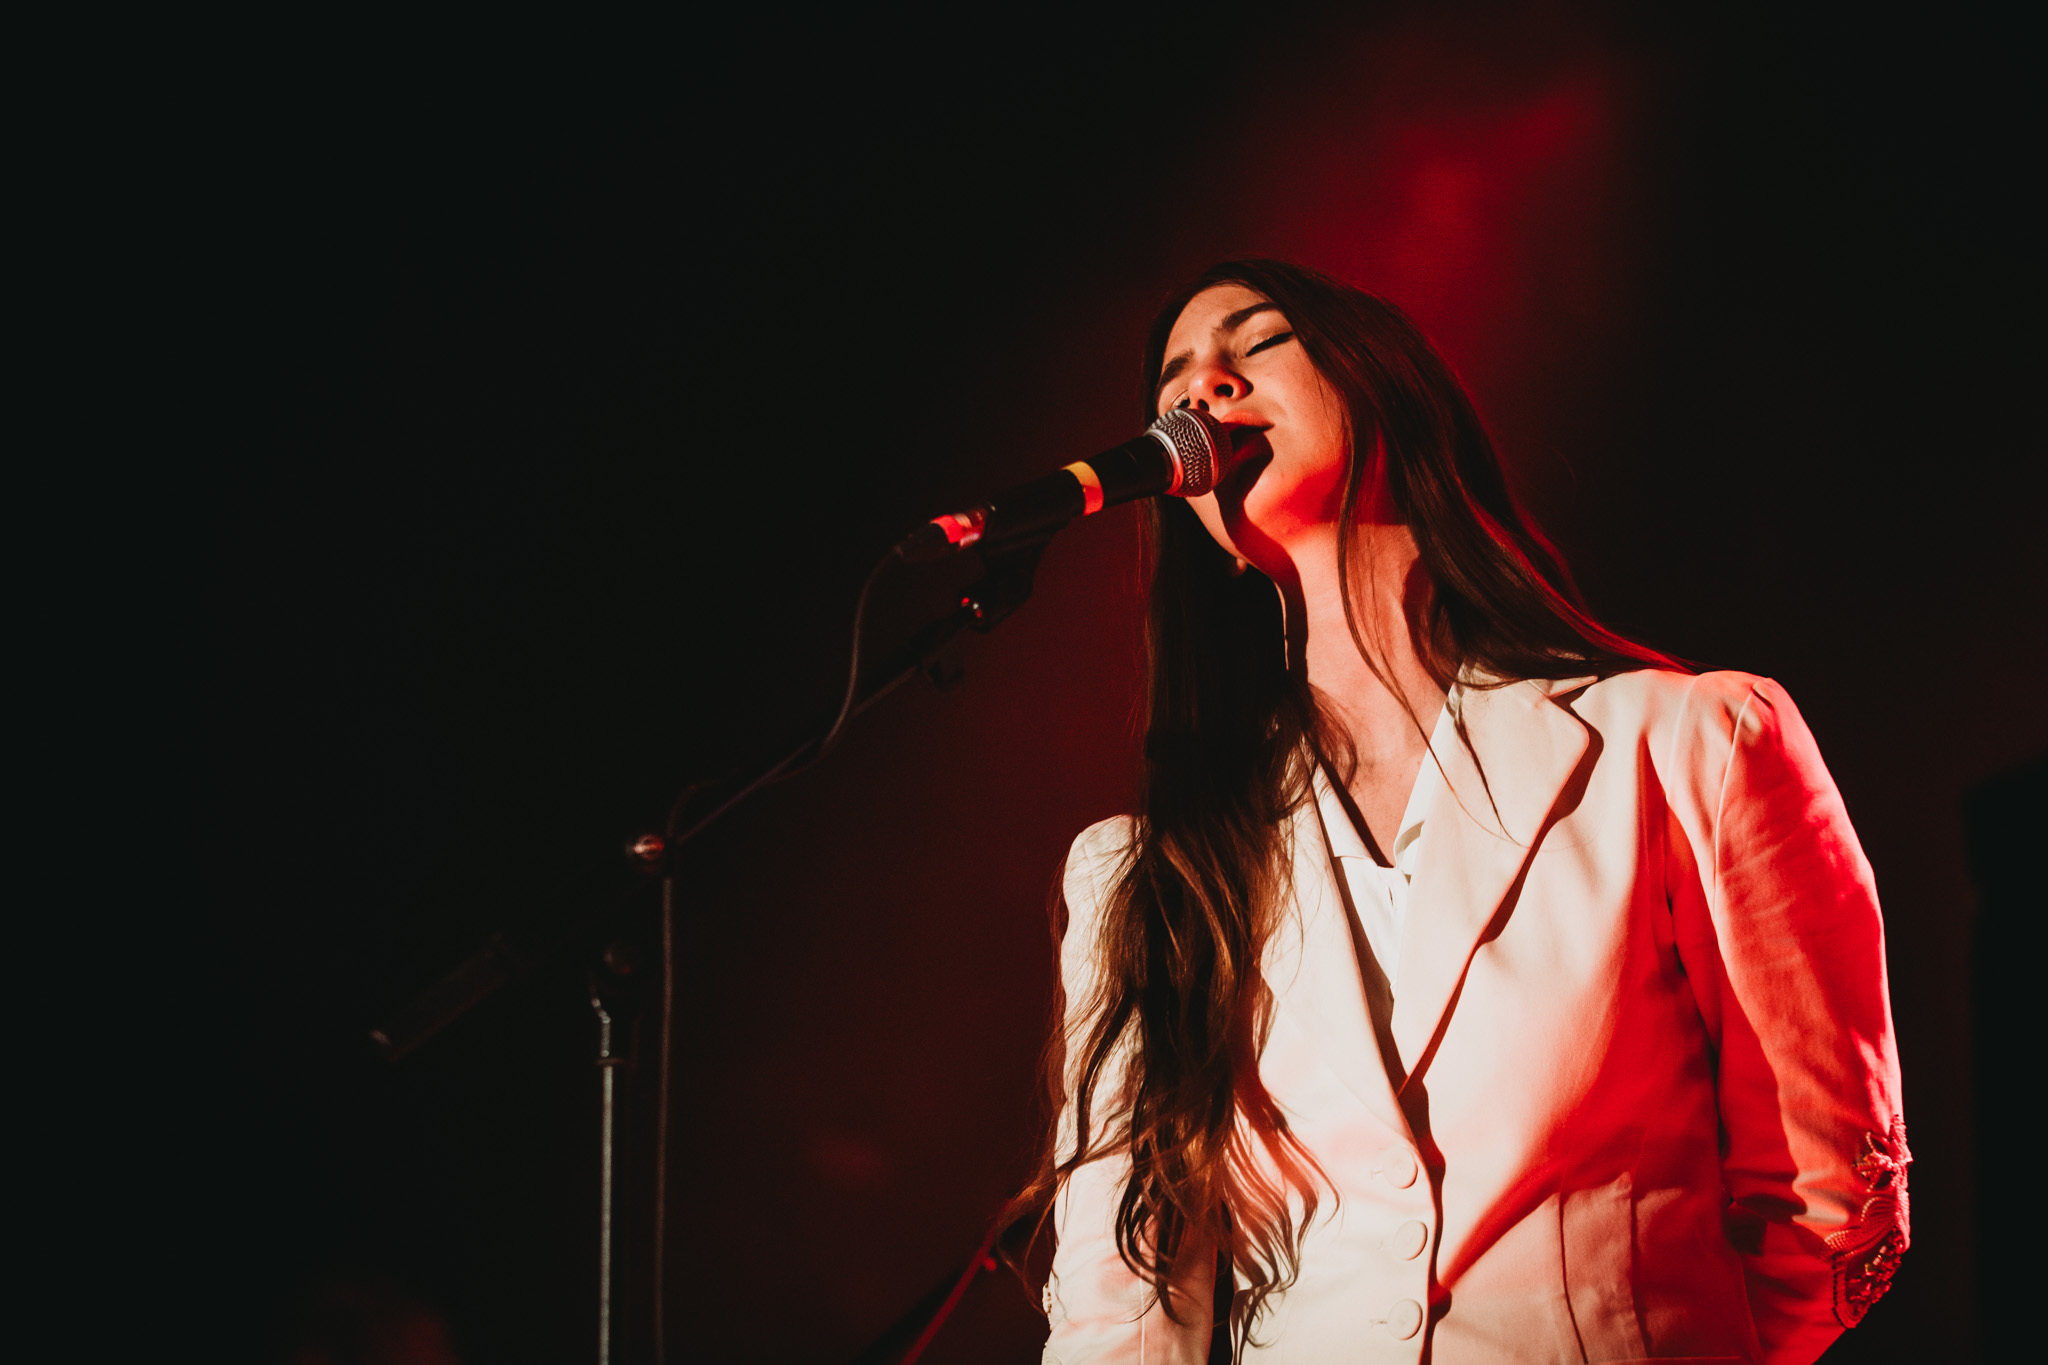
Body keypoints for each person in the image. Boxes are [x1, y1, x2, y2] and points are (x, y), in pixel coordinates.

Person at [1000, 260, 1907, 1365]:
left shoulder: (1683, 746)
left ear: (1387, 392)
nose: (1201, 388)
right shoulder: (1145, 871)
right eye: (1173, 378)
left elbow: (1821, 1203)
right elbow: (1122, 1303)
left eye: (1256, 340)